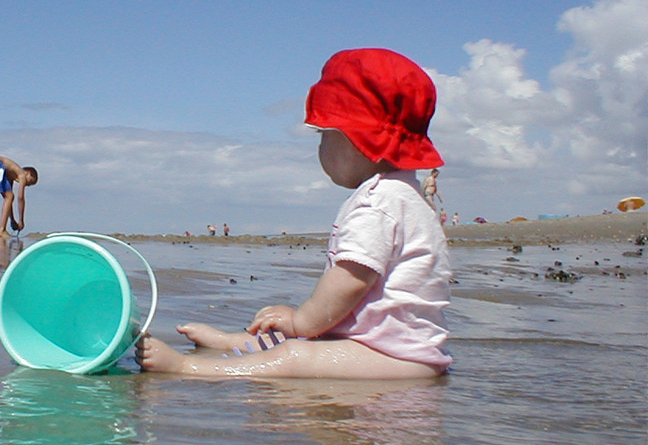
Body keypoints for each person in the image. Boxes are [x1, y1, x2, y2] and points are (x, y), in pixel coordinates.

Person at [137, 48, 453, 379]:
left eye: (324, 135)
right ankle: (233, 343)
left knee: (294, 354)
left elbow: (351, 281)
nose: (320, 148)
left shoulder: (378, 202)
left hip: (395, 355)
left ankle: (192, 367)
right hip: (381, 344)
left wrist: (300, 320)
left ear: (356, 139)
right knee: (303, 340)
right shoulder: (405, 194)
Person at [0, 157, 38, 238]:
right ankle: (1, 230)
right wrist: (21, 221)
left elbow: (8, 200)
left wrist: (12, 220)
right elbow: (20, 198)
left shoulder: (9, 176)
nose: (27, 185)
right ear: (28, 173)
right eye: (30, 182)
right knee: (10, 196)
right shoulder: (22, 174)